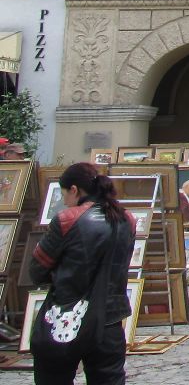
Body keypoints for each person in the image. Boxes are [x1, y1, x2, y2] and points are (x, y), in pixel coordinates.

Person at [29, 162, 136, 385]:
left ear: (75, 190)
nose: (64, 200)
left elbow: (37, 269)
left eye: (65, 194)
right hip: (110, 319)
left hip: (67, 317)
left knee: (53, 378)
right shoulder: (128, 219)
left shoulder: (68, 219)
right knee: (109, 379)